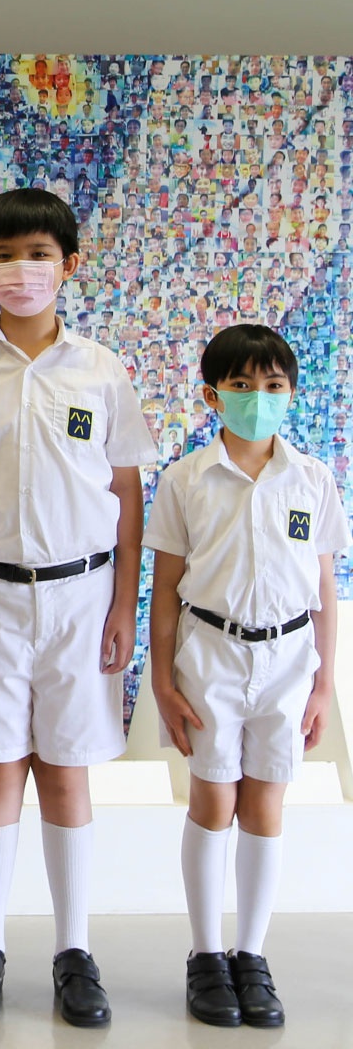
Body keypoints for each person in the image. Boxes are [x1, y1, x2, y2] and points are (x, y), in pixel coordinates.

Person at [0, 188, 156, 1027]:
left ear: (70, 265)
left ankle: (73, 953)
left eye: (39, 255)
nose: (23, 270)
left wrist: (123, 604)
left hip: (81, 596)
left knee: (64, 770)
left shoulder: (101, 370)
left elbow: (127, 496)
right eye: (5, 256)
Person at [147, 324, 346, 1028]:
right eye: (241, 385)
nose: (257, 398)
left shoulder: (313, 479)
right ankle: (206, 956)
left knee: (265, 805)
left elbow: (323, 590)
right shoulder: (185, 480)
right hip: (211, 655)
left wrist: (323, 684)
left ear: (290, 394)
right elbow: (164, 591)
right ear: (213, 396)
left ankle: (251, 955)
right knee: (213, 801)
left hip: (289, 660)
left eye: (272, 385)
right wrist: (164, 683)